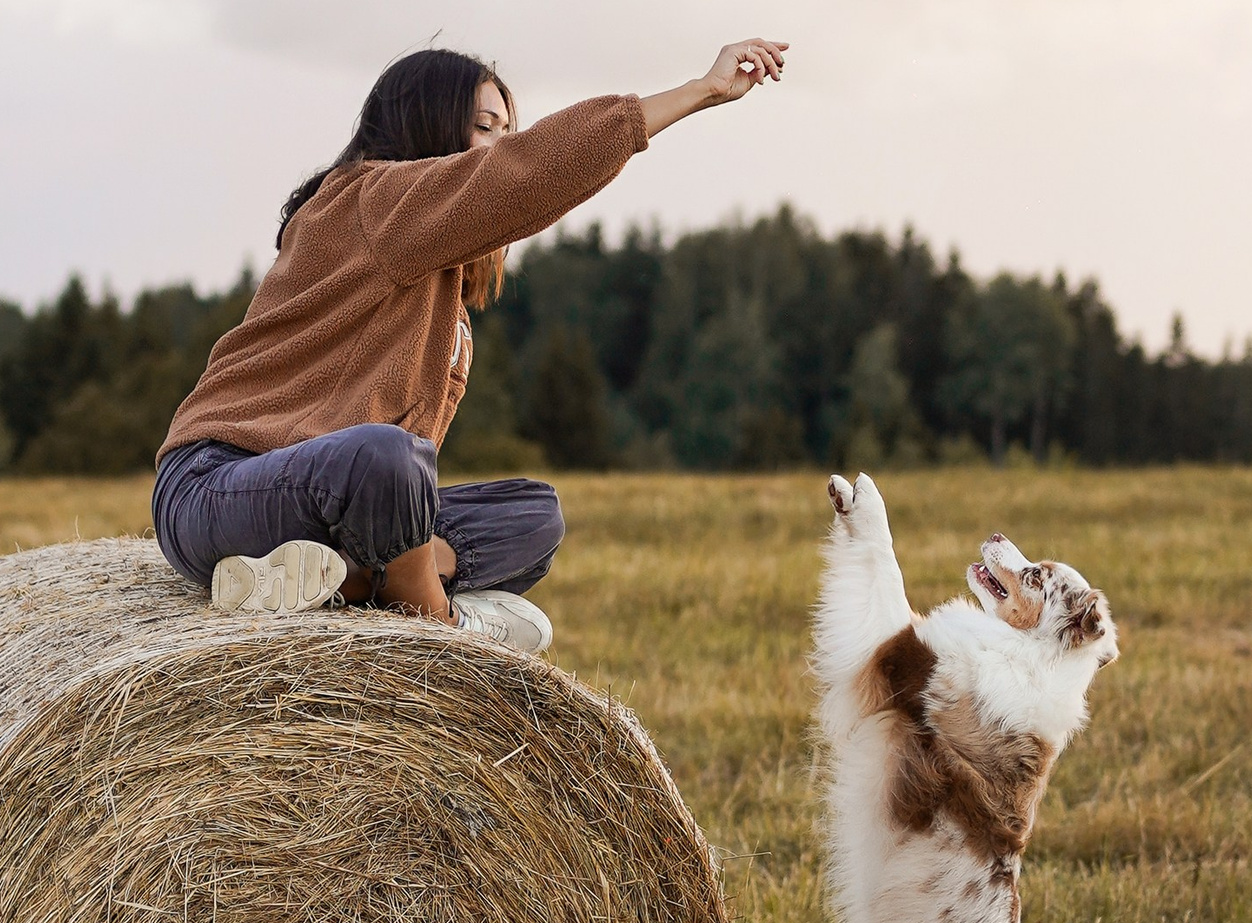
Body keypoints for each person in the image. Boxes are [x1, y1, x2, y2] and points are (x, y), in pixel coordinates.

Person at [150, 37, 788, 652]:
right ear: (426, 126)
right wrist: (699, 92)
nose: (500, 148)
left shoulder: (444, 302)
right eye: (486, 128)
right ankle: (439, 630)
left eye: (508, 132)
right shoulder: (368, 200)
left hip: (328, 512)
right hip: (218, 488)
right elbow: (530, 171)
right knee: (386, 458)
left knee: (534, 514)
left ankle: (334, 578)